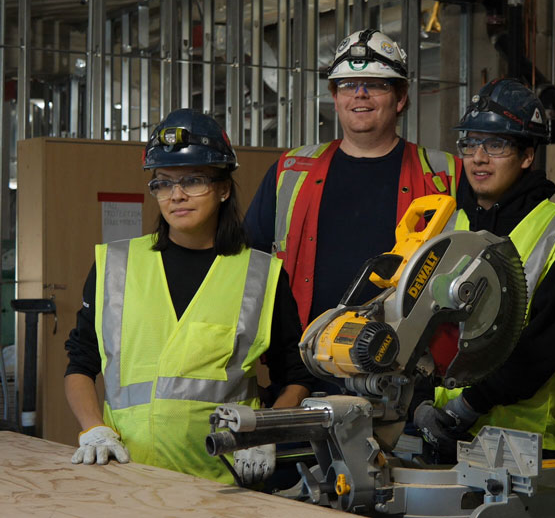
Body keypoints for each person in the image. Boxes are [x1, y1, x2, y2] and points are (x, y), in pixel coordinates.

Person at [64, 109, 312, 485]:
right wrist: (93, 428)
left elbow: (294, 376)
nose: (176, 195)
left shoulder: (260, 274)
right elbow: (80, 365)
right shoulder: (115, 265)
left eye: (193, 180)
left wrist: (267, 430)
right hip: (127, 475)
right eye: (162, 183)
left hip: (222, 482)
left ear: (224, 188)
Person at [413, 78, 555, 462]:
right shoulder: (446, 226)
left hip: (522, 448)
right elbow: (419, 322)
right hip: (440, 437)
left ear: (527, 155)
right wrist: (421, 400)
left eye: (496, 145)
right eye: (470, 143)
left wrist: (466, 408)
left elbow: (542, 347)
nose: (479, 157)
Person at [244, 28, 462, 331]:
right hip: (306, 360)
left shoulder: (445, 173)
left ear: (400, 98)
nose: (360, 94)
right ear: (335, 98)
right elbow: (247, 265)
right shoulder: (290, 171)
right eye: (348, 85)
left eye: (375, 85)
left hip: (408, 358)